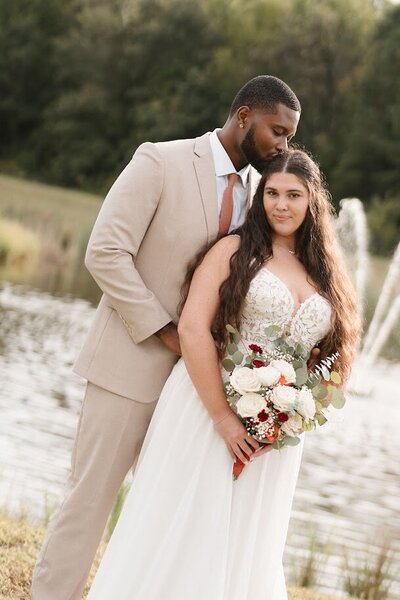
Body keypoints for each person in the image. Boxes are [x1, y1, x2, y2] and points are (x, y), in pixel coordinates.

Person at [31, 75, 302, 600]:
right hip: (126, 370)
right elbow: (105, 251)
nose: (283, 145)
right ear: (244, 116)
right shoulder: (161, 161)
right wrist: (166, 331)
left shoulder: (259, 194)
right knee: (88, 504)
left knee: (169, 521)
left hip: (195, 394)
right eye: (278, 131)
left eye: (290, 137)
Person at [86, 149, 361, 600]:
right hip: (208, 409)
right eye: (271, 193)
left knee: (250, 540)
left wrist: (295, 410)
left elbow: (331, 357)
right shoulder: (233, 250)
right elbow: (193, 327)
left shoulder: (327, 273)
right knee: (188, 527)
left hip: (277, 434)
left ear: (313, 201)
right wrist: (223, 417)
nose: (281, 205)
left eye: (293, 195)